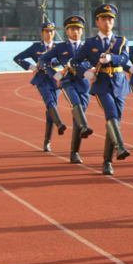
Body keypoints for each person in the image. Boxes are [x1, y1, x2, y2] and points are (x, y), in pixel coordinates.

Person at [71, 4, 131, 176]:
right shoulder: (90, 43)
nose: (107, 22)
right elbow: (74, 62)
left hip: (119, 83)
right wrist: (86, 73)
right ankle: (120, 147)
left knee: (116, 121)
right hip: (102, 84)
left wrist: (111, 58)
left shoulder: (121, 41)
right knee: (111, 114)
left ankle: (107, 161)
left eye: (110, 19)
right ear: (97, 22)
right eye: (103, 19)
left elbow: (125, 58)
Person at [39, 16, 93, 164]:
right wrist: (54, 74)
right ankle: (85, 126)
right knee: (75, 103)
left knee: (79, 116)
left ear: (82, 31)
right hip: (68, 81)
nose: (75, 32)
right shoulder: (60, 47)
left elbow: (93, 62)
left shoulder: (87, 46)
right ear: (67, 31)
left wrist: (82, 66)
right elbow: (43, 60)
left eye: (78, 29)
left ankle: (75, 152)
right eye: (72, 29)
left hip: (83, 82)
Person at [14, 22, 67, 152]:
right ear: (42, 32)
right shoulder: (36, 47)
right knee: (49, 101)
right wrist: (32, 67)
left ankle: (47, 141)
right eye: (47, 31)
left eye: (51, 31)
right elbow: (18, 58)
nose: (49, 34)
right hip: (42, 79)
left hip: (54, 78)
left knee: (51, 109)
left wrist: (49, 61)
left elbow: (64, 60)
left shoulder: (58, 47)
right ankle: (59, 123)